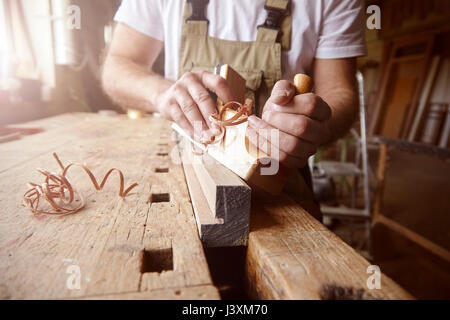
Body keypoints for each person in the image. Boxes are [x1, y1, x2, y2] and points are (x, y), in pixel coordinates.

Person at [102, 0, 366, 214]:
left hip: (280, 188)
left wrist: (314, 124)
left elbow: (339, 92)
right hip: (184, 175)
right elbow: (117, 67)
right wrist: (161, 95)